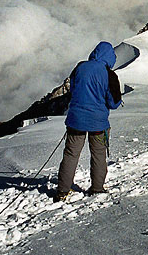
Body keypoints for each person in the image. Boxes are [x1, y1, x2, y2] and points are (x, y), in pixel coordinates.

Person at [55, 41, 122, 202]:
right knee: (98, 154)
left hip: (76, 120)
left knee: (71, 154)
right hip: (98, 122)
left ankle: (62, 191)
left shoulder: (80, 67)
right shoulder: (109, 74)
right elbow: (114, 102)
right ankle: (97, 188)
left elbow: (72, 88)